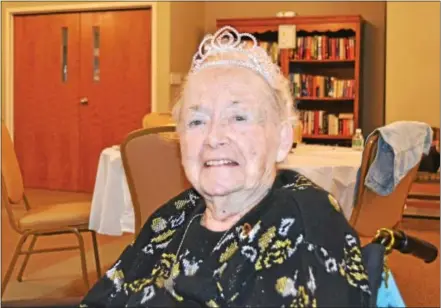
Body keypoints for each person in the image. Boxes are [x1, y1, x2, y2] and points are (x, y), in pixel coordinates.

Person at [80, 26, 371, 307]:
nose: (214, 137)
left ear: (282, 138)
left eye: (238, 117)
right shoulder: (173, 216)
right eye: (196, 121)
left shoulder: (308, 221)